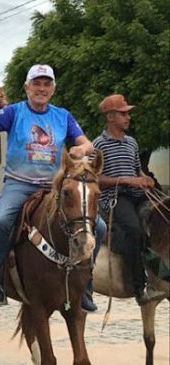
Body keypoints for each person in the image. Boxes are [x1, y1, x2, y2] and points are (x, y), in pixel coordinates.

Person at [0, 64, 106, 311]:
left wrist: (82, 149)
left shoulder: (63, 116)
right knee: (0, 221)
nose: (41, 89)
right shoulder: (14, 112)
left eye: (46, 84)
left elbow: (86, 142)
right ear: (27, 87)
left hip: (52, 187)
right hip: (19, 183)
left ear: (53, 89)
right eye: (36, 83)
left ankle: (85, 284)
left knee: (99, 226)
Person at [93, 94, 166, 305]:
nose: (128, 118)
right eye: (123, 114)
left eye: (127, 114)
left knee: (163, 218)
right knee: (134, 230)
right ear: (110, 117)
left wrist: (145, 179)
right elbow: (94, 178)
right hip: (114, 199)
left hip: (137, 195)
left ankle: (161, 271)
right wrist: (126, 180)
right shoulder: (99, 144)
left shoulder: (131, 143)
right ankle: (140, 288)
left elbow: (137, 170)